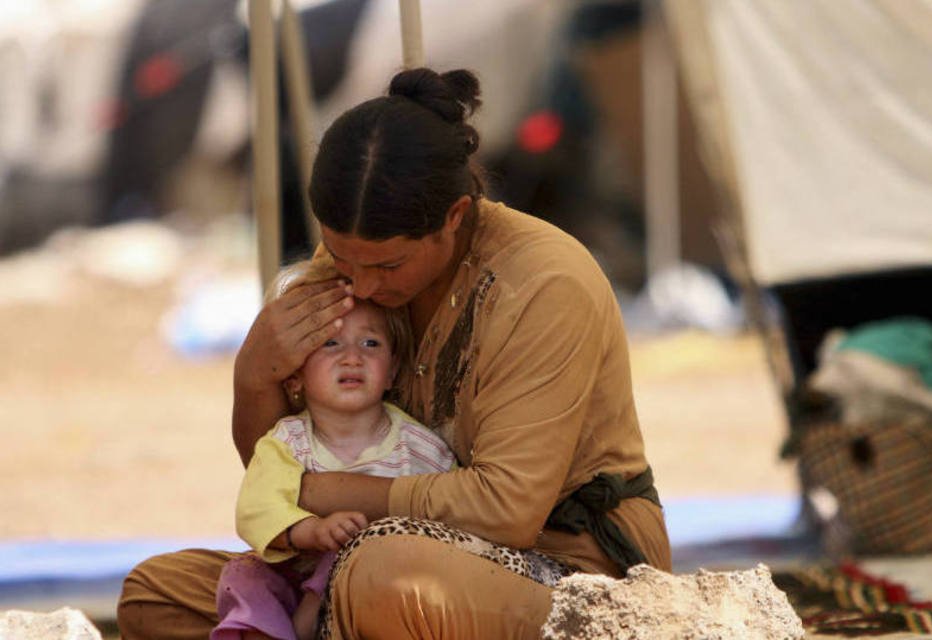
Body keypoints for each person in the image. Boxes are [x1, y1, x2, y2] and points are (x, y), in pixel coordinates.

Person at [117, 67, 671, 640]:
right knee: (156, 593)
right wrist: (254, 377)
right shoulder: (353, 269)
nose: (360, 285)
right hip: (356, 560)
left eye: (385, 266)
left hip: (567, 569)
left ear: (453, 218)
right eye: (339, 256)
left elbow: (507, 511)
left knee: (383, 583)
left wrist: (330, 493)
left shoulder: (544, 284)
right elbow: (283, 465)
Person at [211, 258, 457, 640]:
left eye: (370, 343)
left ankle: (312, 624)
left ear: (392, 371)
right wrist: (310, 530)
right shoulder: (287, 441)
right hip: (293, 570)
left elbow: (448, 517)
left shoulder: (419, 447)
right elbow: (256, 507)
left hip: (370, 589)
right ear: (295, 374)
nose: (352, 356)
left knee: (353, 554)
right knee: (242, 574)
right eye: (330, 343)